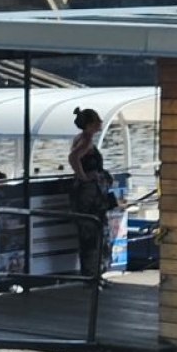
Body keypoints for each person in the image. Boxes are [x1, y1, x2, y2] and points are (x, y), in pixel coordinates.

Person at [68, 108, 112, 283]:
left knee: (87, 234)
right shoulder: (86, 140)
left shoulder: (81, 138)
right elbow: (73, 158)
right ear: (91, 124)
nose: (101, 123)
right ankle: (94, 274)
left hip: (83, 194)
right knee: (94, 233)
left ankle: (90, 273)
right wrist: (85, 177)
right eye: (98, 121)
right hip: (90, 196)